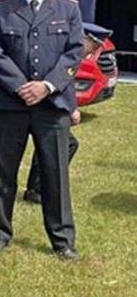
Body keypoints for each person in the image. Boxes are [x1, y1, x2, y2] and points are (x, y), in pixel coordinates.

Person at [0, 0, 83, 260]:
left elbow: (74, 52)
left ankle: (62, 240)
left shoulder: (68, 9)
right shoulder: (0, 9)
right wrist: (22, 87)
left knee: (55, 176)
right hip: (11, 105)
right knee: (4, 173)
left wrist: (47, 86)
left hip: (51, 105)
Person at [23, 23, 110, 203]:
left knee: (54, 145)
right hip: (44, 105)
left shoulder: (68, 50)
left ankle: (38, 188)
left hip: (46, 105)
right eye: (93, 47)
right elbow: (61, 83)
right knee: (63, 144)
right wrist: (71, 110)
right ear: (84, 38)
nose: (91, 53)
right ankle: (37, 190)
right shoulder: (70, 52)